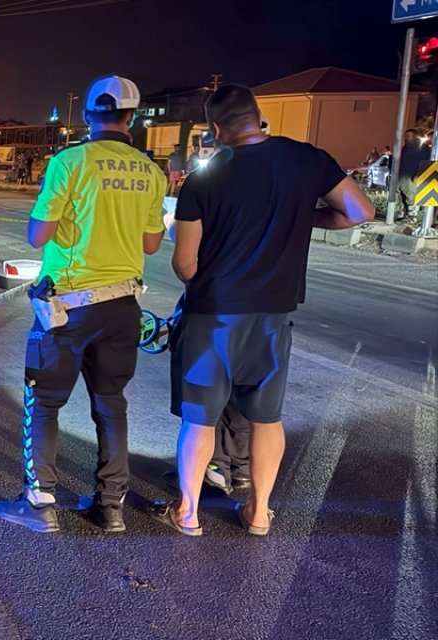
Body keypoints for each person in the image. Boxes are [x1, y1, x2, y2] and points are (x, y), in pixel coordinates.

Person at [153, 84, 374, 536]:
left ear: (216, 130)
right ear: (258, 118)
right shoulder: (307, 159)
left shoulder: (205, 179)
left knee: (200, 418)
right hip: (274, 316)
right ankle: (258, 512)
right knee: (267, 418)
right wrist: (306, 216)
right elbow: (360, 211)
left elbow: (185, 264)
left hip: (213, 315)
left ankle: (188, 512)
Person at [0, 76, 167, 534]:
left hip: (69, 307)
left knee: (44, 403)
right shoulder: (151, 171)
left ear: (88, 114)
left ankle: (39, 502)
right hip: (124, 305)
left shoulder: (69, 162)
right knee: (111, 404)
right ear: (132, 118)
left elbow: (38, 235)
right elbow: (151, 244)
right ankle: (110, 506)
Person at [398, 129, 428, 219]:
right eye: (405, 136)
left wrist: (419, 174)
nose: (406, 138)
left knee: (412, 197)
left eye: (408, 136)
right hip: (402, 175)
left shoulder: (422, 149)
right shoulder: (405, 148)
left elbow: (425, 162)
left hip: (412, 176)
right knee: (404, 197)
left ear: (415, 137)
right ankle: (407, 214)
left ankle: (413, 216)